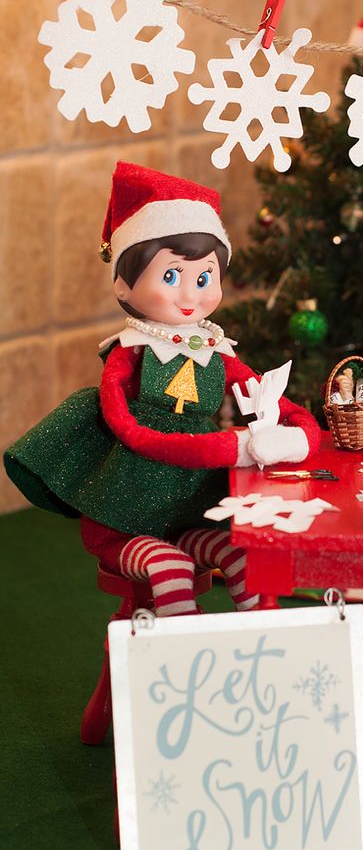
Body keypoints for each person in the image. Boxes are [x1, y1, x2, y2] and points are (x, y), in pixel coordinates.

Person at [4, 162, 321, 616]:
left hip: (190, 505)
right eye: (171, 276)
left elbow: (274, 398)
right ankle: (178, 661)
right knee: (168, 568)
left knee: (240, 555)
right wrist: (222, 447)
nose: (189, 295)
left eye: (204, 277)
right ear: (125, 282)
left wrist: (295, 434)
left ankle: (261, 649)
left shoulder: (216, 351)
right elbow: (128, 429)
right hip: (128, 507)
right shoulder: (130, 351)